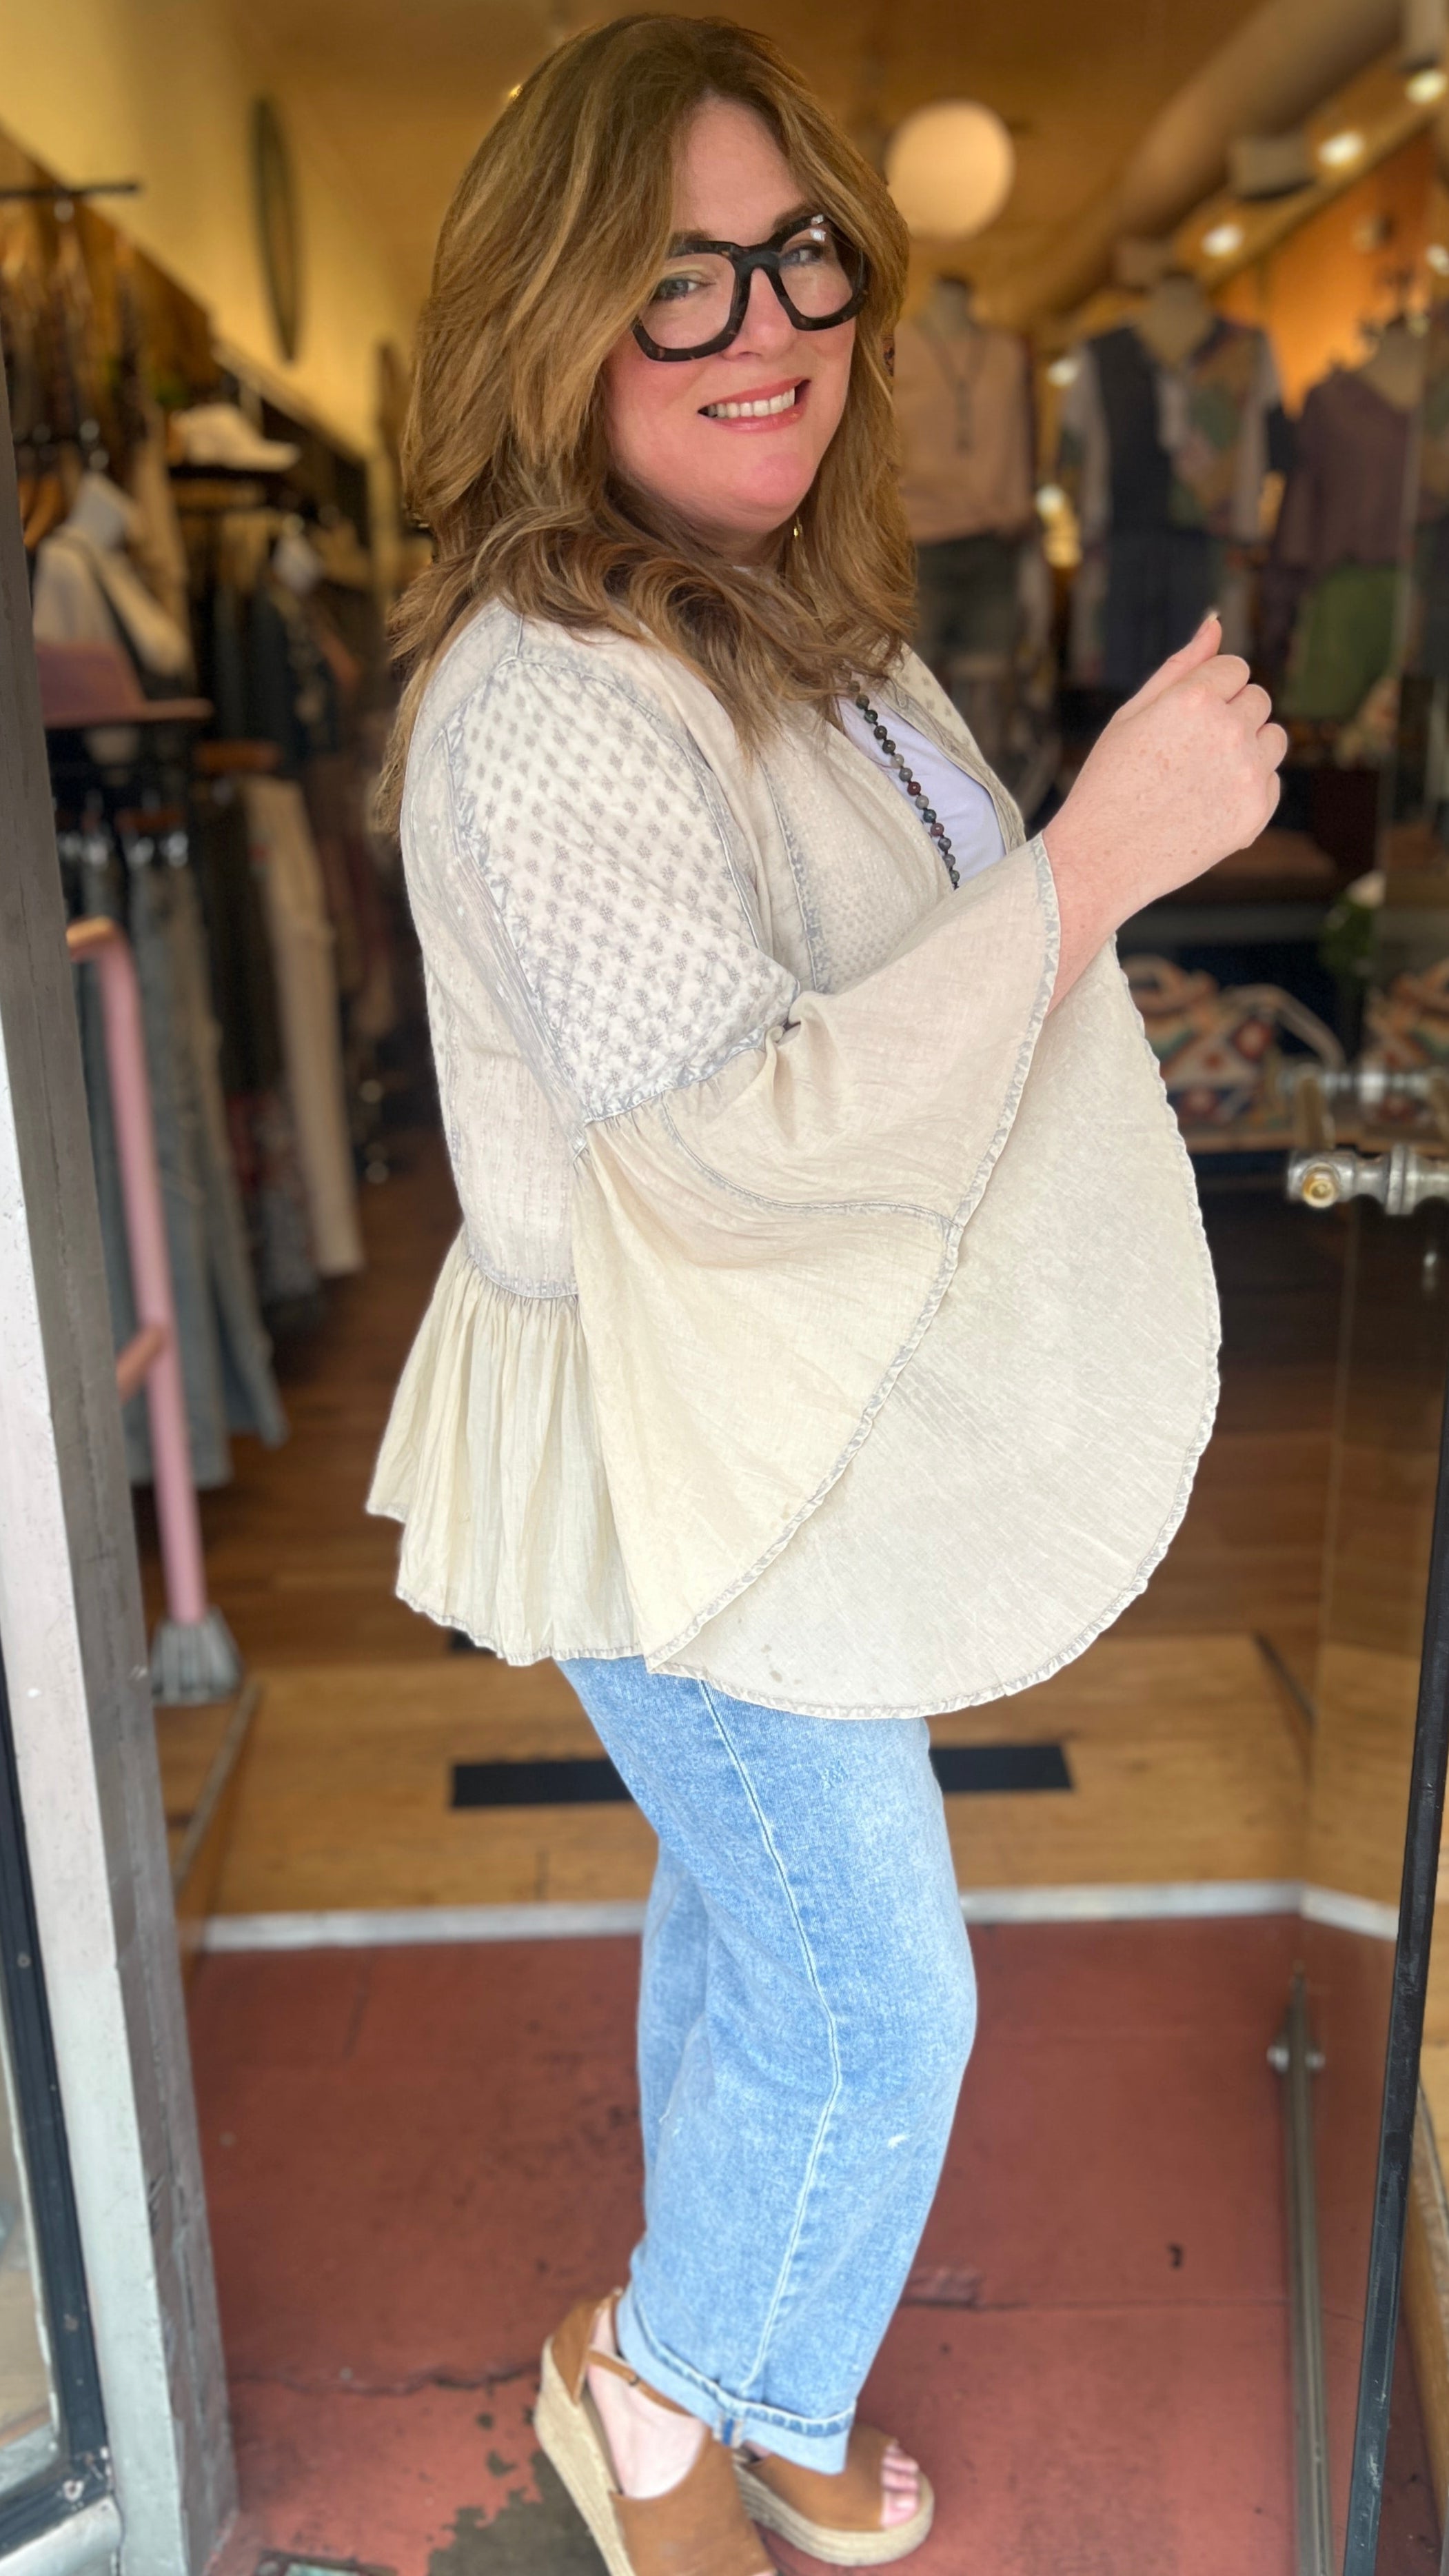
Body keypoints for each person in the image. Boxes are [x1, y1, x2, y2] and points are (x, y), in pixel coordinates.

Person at [369, 18, 1286, 2569]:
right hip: (695, 1446)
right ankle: (655, 2388)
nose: (768, 317)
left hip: (781, 1419)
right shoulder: (554, 699)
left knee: (756, 1919)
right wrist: (1095, 863)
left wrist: (1076, 860)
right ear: (558, 316)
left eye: (802, 255)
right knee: (879, 1998)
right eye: (681, 275)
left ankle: (751, 2369)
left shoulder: (779, 617)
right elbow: (724, 1145)